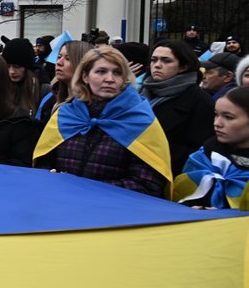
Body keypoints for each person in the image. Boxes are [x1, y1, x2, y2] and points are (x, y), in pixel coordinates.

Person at [34, 46, 172, 197]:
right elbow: (43, 164)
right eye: (101, 71)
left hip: (115, 215)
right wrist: (51, 177)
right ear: (85, 76)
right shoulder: (65, 114)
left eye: (117, 73)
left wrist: (85, 189)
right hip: (62, 208)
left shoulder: (140, 120)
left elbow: (148, 185)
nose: (110, 79)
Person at [141, 39, 215, 175]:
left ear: (183, 66)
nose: (157, 65)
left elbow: (200, 150)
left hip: (167, 174)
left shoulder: (200, 101)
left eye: (166, 61)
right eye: (154, 60)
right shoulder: (142, 93)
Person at [173, 86, 249, 210]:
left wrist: (225, 214)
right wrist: (192, 207)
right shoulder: (204, 154)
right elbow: (182, 194)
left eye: (228, 117)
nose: (217, 123)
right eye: (216, 115)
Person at [36, 40, 94, 123]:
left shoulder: (89, 109)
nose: (59, 62)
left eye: (68, 58)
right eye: (59, 57)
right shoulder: (51, 99)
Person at [2, 37, 42, 115]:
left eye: (17, 66)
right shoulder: (2, 87)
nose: (12, 72)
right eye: (8, 66)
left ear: (27, 67)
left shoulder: (42, 89)